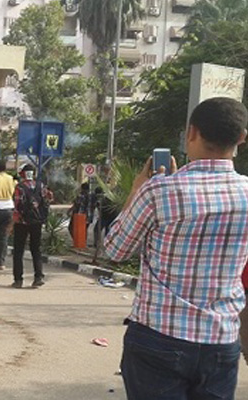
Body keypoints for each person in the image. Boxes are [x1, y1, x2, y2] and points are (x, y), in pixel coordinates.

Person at [105, 97, 248, 399]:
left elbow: (115, 250)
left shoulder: (159, 191)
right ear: (241, 138)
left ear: (191, 133)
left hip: (159, 338)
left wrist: (136, 190)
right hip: (221, 340)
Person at [12, 164, 49, 287]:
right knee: (36, 249)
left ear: (23, 174)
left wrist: (14, 221)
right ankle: (38, 277)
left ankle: (18, 280)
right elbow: (46, 202)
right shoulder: (41, 186)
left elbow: (17, 205)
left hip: (22, 222)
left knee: (18, 251)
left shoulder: (20, 187)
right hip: (37, 221)